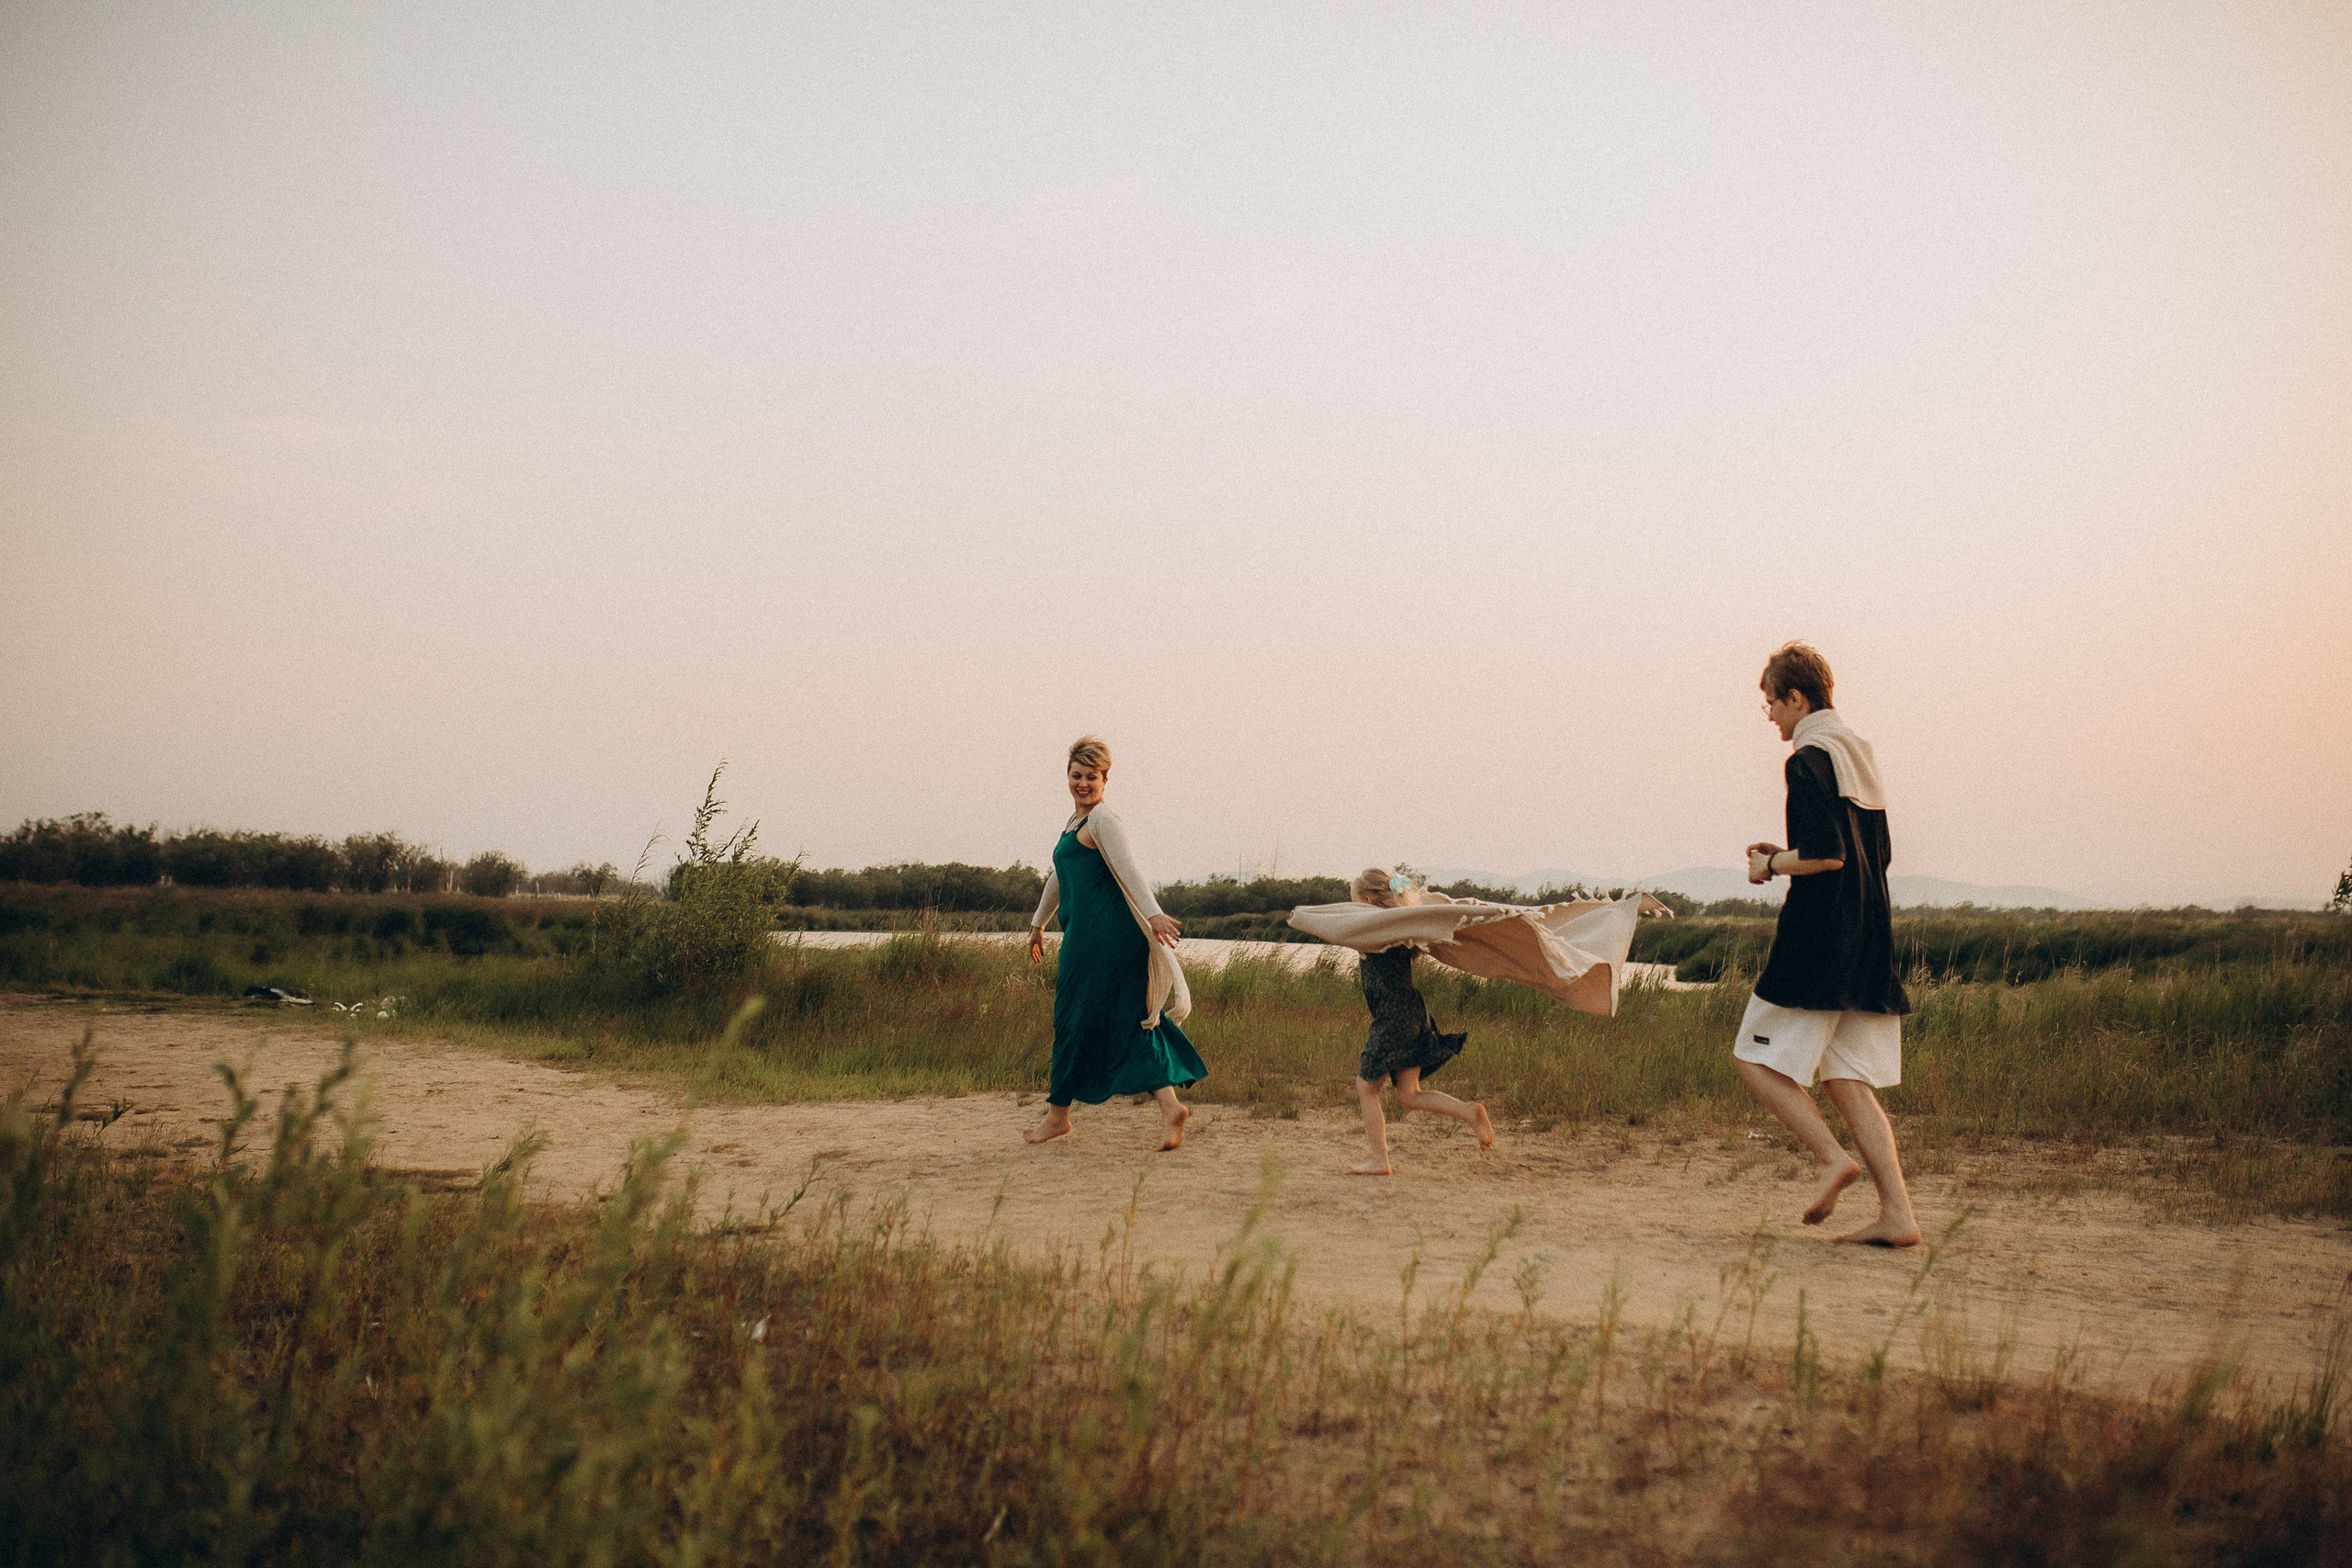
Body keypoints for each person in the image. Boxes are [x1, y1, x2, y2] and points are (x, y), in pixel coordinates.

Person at [1736, 642, 1922, 1247]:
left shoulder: (1807, 758)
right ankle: (1898, 1214)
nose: (1768, 715)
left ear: (1797, 697)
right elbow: (1875, 853)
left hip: (1820, 935)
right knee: (1846, 1078)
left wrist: (1770, 865)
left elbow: (1824, 854)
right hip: (1871, 931)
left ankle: (1829, 1159)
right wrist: (1787, 857)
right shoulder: (1859, 754)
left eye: (1771, 701)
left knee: (1753, 1057)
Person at [1023, 735, 1207, 1151]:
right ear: (1066, 776)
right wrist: (1038, 924)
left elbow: (1129, 869)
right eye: (1076, 775)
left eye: (1092, 776)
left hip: (1106, 941)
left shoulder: (1103, 819)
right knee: (1117, 1022)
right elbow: (1058, 876)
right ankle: (1169, 1108)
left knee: (1072, 1020)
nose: (1082, 783)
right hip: (1087, 938)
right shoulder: (1074, 824)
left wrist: (1154, 912)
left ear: (1106, 780)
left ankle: (1058, 1116)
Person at [1344, 868, 1495, 1175]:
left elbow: (1337, 927)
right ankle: (1470, 1112)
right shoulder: (1401, 929)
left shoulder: (1373, 932)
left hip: (1395, 1017)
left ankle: (1379, 1160)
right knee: (1408, 1094)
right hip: (1413, 1012)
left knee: (1366, 1088)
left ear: (1369, 899)